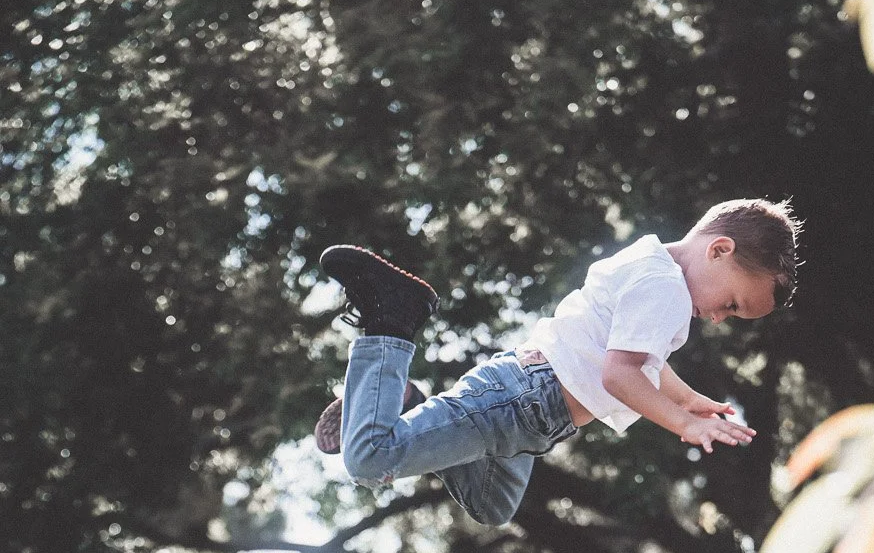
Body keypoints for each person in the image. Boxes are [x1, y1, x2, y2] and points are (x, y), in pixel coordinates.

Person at [312, 197, 801, 526]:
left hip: (530, 414)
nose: (719, 318)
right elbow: (620, 375)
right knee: (369, 458)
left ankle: (407, 398)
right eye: (733, 303)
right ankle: (390, 321)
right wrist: (683, 425)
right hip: (519, 400)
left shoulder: (655, 269)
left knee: (492, 504)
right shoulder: (666, 289)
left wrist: (689, 400)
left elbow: (642, 362)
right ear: (719, 249)